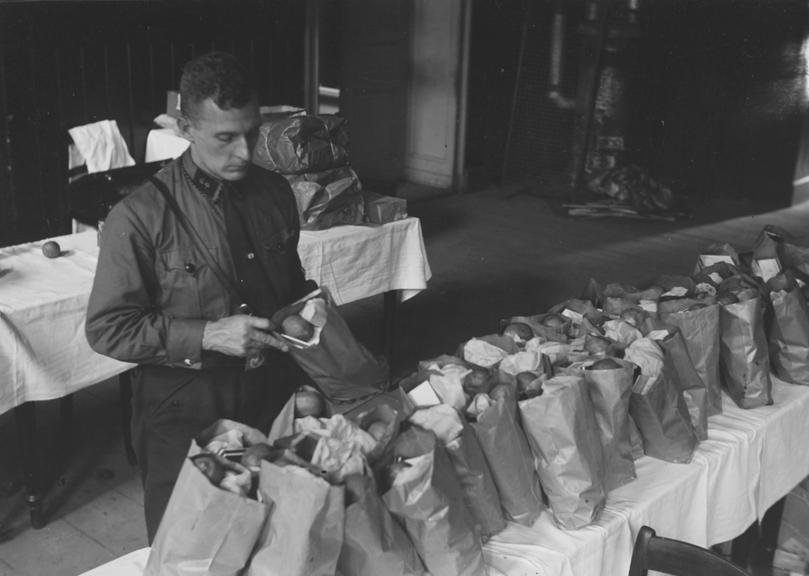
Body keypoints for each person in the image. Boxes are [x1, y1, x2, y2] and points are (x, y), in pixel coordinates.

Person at [86, 51, 313, 542]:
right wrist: (209, 333)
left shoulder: (275, 192)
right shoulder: (139, 216)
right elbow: (108, 328)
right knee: (191, 545)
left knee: (284, 536)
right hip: (184, 402)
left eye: (252, 133)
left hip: (273, 388)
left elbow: (293, 287)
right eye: (226, 138)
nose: (245, 153)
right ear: (186, 127)